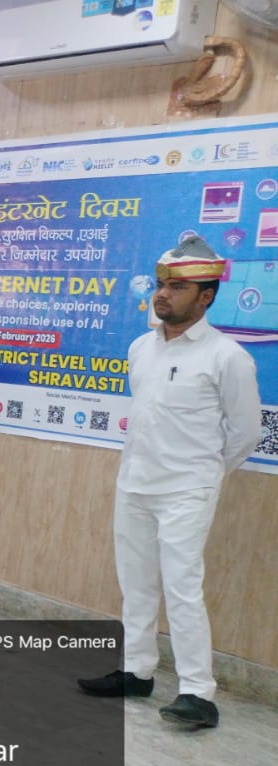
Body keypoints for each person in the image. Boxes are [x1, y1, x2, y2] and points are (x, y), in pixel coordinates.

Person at [79, 237, 261, 729]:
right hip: (134, 484)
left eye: (177, 287)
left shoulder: (227, 356)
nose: (162, 294)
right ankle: (136, 671)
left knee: (182, 587)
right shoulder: (141, 347)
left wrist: (204, 474)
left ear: (206, 297)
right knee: (135, 584)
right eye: (161, 284)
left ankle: (198, 693)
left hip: (187, 491)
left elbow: (246, 432)